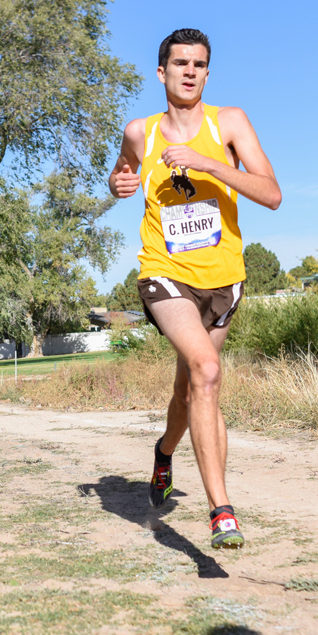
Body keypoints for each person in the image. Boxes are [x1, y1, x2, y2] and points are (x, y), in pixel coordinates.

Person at [109, 28, 282, 549]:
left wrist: (210, 164)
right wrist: (119, 182)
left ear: (208, 72)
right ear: (161, 72)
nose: (189, 71)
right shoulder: (142, 131)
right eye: (179, 63)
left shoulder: (228, 123)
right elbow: (123, 172)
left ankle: (165, 451)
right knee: (208, 371)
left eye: (199, 64)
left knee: (191, 389)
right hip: (164, 272)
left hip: (224, 280)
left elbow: (271, 194)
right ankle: (221, 511)